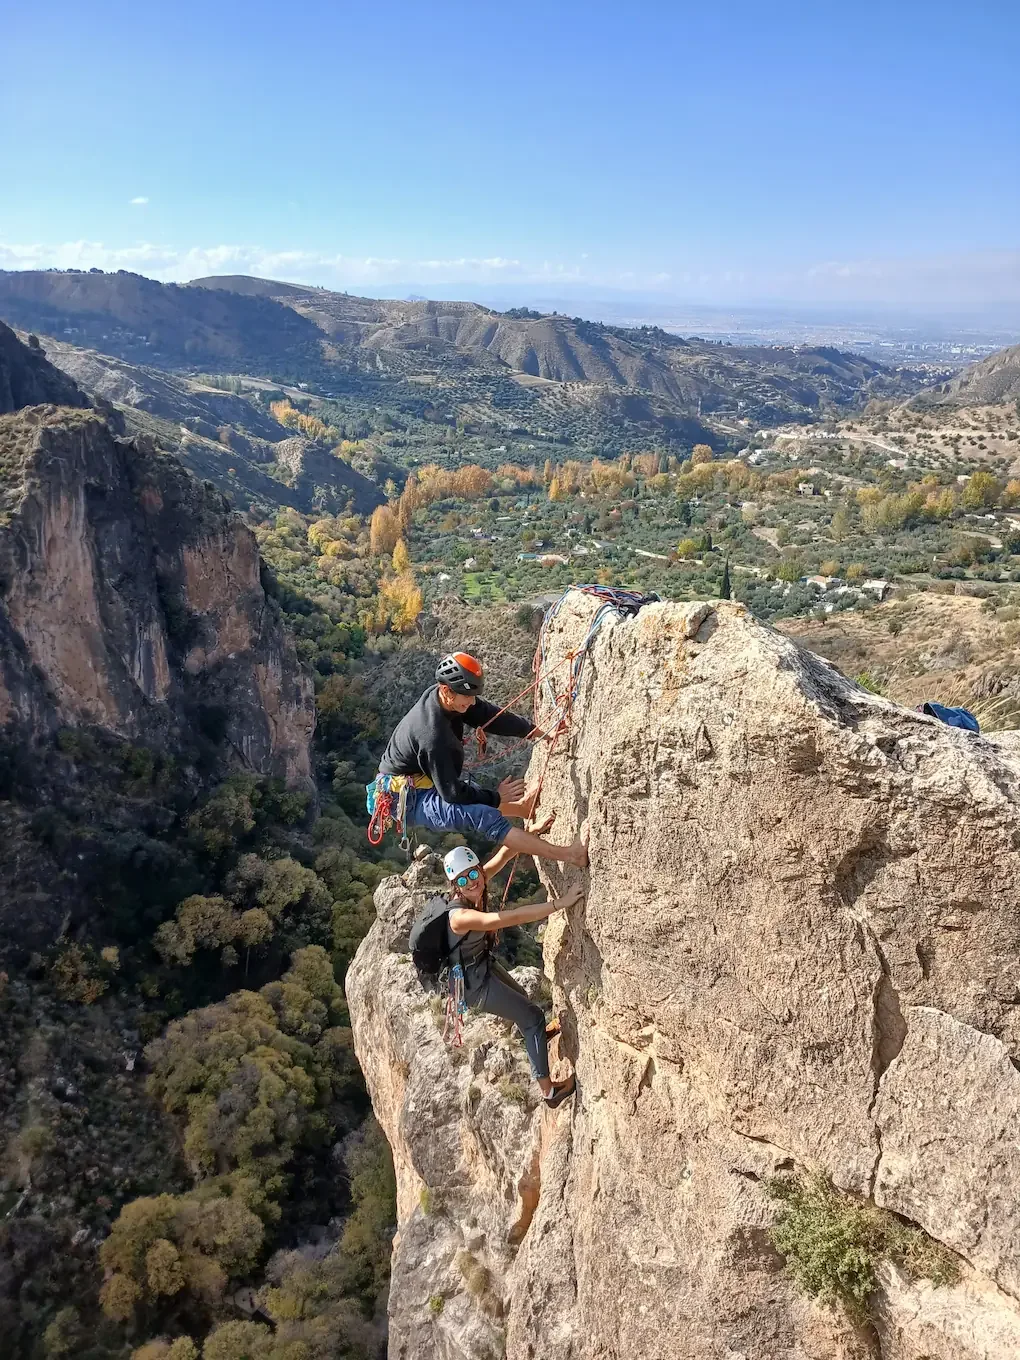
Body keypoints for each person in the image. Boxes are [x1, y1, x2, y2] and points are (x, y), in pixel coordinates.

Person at [371, 651, 587, 868]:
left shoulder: (446, 698)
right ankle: (571, 855)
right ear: (447, 690)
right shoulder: (433, 734)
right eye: (468, 696)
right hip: (407, 799)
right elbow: (453, 794)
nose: (472, 701)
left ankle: (521, 808)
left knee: (474, 792)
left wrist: (536, 731)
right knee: (481, 814)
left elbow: (489, 716)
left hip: (417, 778)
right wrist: (497, 798)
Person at [443, 845, 578, 1107]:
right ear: (455, 886)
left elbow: (504, 855)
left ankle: (534, 1036)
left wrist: (532, 831)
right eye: (462, 880)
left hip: (481, 965)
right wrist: (561, 903)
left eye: (473, 874)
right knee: (533, 1017)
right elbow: (514, 916)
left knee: (523, 999)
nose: (471, 882)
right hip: (472, 985)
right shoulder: (460, 916)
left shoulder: (476, 884)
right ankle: (549, 1093)